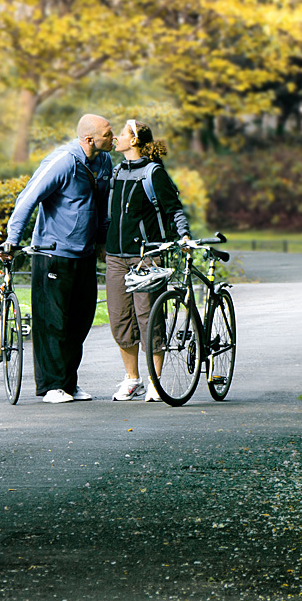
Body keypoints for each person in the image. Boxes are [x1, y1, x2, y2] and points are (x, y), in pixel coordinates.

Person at [5, 114, 114, 403]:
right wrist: (13, 239)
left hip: (85, 253)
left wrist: (102, 240)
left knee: (80, 320)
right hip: (53, 252)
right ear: (89, 139)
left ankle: (68, 382)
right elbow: (28, 198)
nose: (113, 138)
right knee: (53, 322)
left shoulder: (104, 162)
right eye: (107, 134)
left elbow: (103, 204)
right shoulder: (63, 161)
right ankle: (52, 386)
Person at [104, 119, 191, 402]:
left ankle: (155, 382)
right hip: (115, 257)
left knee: (148, 320)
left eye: (122, 134)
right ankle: (133, 380)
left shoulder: (154, 173)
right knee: (120, 320)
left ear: (134, 140)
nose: (116, 138)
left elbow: (174, 209)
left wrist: (184, 236)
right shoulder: (117, 171)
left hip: (146, 256)